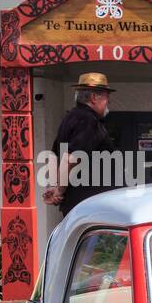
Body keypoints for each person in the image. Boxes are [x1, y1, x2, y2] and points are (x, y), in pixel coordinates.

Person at [43, 72, 120, 217]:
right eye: (106, 99)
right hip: (89, 206)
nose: (108, 104)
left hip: (81, 205)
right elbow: (70, 158)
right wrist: (59, 190)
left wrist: (55, 186)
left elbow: (55, 155)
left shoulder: (70, 118)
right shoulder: (88, 121)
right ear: (93, 98)